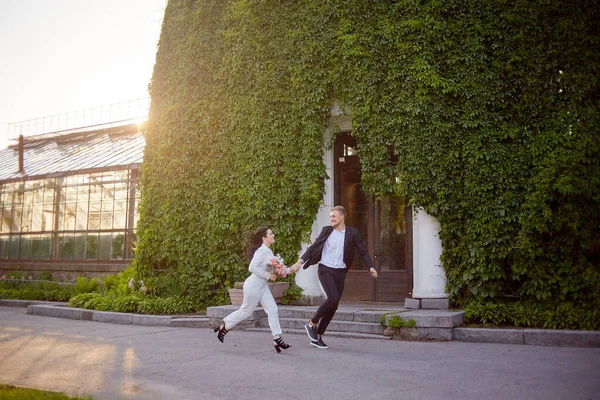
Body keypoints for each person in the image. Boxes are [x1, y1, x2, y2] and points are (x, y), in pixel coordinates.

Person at [291, 206, 377, 349]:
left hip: (340, 271)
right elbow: (313, 247)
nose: (331, 218)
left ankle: (318, 336)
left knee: (334, 305)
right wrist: (299, 262)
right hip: (326, 269)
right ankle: (311, 322)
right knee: (333, 298)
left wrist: (371, 267)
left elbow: (362, 250)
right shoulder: (327, 230)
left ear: (342, 217)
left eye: (334, 216)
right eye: (330, 216)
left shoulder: (352, 233)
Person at [214, 227, 299, 353]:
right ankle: (224, 327)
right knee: (246, 312)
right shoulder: (261, 251)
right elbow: (252, 267)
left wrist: (291, 269)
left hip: (262, 287)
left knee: (272, 309)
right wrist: (268, 276)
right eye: (271, 234)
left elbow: (279, 270)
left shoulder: (269, 252)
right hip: (253, 286)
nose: (273, 235)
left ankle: (277, 338)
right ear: (264, 238)